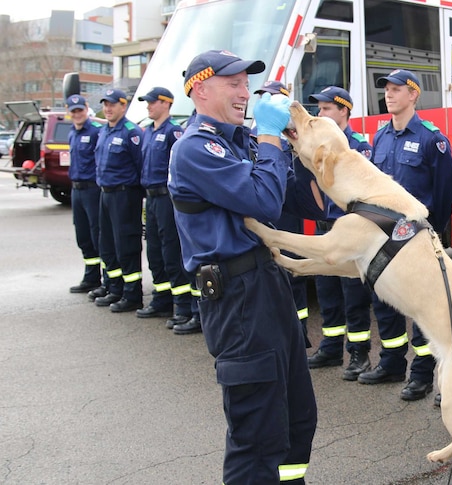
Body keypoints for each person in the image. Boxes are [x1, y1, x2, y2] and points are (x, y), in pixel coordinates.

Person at [168, 49, 318, 483]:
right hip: (237, 298)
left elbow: (300, 200)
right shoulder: (196, 148)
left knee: (295, 420)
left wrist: (305, 147)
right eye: (232, 83)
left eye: (245, 83)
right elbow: (263, 202)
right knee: (256, 435)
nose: (244, 91)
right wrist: (270, 139)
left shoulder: (242, 141)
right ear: (200, 90)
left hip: (268, 285)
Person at [359, 69, 452, 402]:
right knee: (385, 303)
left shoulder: (433, 139)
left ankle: (421, 374)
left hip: (415, 238)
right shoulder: (381, 137)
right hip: (382, 235)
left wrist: (430, 230)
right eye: (386, 89)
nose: (389, 94)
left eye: (397, 89)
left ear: (414, 94)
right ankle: (391, 363)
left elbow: (446, 191)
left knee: (419, 308)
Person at [302, 86, 374, 381]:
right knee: (327, 292)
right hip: (325, 227)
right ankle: (331, 347)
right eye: (319, 109)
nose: (321, 114)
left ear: (344, 111)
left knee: (353, 296)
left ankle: (359, 354)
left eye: (327, 109)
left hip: (348, 229)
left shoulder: (358, 145)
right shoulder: (320, 146)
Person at [134, 86, 200, 334]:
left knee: (172, 252)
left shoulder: (173, 132)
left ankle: (183, 308)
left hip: (166, 199)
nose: (148, 106)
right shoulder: (148, 132)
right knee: (155, 252)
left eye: (152, 102)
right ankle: (162, 300)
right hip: (150, 199)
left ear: (166, 104)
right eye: (147, 103)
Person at [252, 80, 312, 345]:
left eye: (270, 96)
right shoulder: (255, 132)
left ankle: (299, 334)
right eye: (262, 96)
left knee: (292, 276)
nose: (264, 100)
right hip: (263, 212)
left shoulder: (289, 131)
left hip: (286, 212)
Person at [92, 89, 145, 313]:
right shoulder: (104, 130)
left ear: (123, 106)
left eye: (112, 104)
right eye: (105, 104)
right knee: (108, 244)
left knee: (126, 244)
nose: (108, 108)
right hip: (105, 193)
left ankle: (132, 294)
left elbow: (141, 165)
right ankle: (115, 287)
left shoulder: (131, 132)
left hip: (125, 195)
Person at [66, 94, 106, 295]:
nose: (77, 114)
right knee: (82, 235)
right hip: (77, 189)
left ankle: (107, 280)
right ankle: (91, 277)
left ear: (86, 109)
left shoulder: (97, 131)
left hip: (92, 189)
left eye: (80, 110)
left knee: (97, 233)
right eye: (73, 111)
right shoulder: (72, 133)